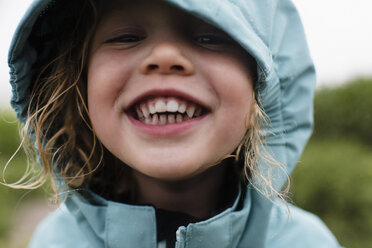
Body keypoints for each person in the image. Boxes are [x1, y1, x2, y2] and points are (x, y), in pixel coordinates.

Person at [7, 0, 341, 247]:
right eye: (125, 37)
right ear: (80, 83)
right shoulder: (55, 241)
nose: (164, 55)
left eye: (211, 37)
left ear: (264, 86)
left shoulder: (308, 242)